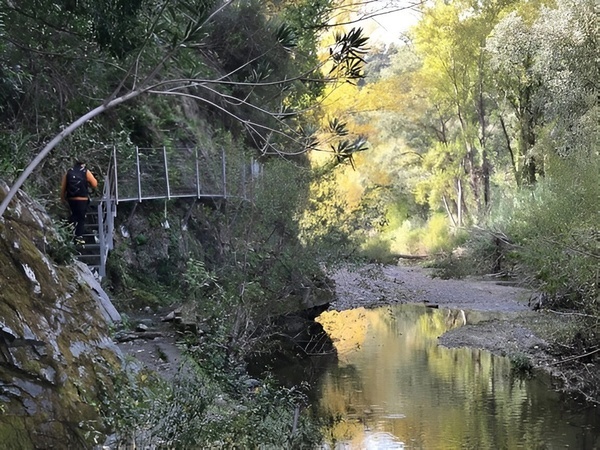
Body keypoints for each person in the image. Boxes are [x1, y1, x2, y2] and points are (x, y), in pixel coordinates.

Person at [61, 160, 98, 245]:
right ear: (83, 165)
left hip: (71, 198)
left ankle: (69, 234)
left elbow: (63, 186)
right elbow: (95, 184)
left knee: (74, 215)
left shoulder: (69, 172)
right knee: (81, 218)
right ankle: (79, 237)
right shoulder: (85, 171)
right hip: (82, 198)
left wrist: (62, 198)